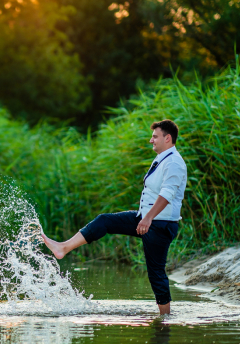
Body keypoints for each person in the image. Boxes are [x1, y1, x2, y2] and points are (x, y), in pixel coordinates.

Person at [41, 120, 187, 315]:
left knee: (156, 272)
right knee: (105, 221)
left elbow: (167, 195)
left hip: (160, 224)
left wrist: (148, 218)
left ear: (167, 138)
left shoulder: (174, 162)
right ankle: (63, 248)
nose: (150, 140)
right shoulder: (162, 158)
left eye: (155, 136)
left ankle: (166, 318)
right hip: (147, 219)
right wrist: (145, 217)